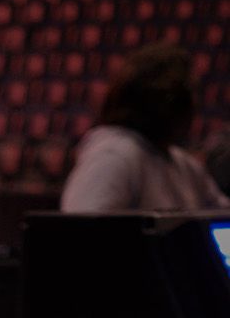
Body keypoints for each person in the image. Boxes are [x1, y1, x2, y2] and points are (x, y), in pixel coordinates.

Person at [60, 43, 229, 212]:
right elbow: (81, 233)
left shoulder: (184, 165)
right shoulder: (113, 156)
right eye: (188, 100)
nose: (194, 110)